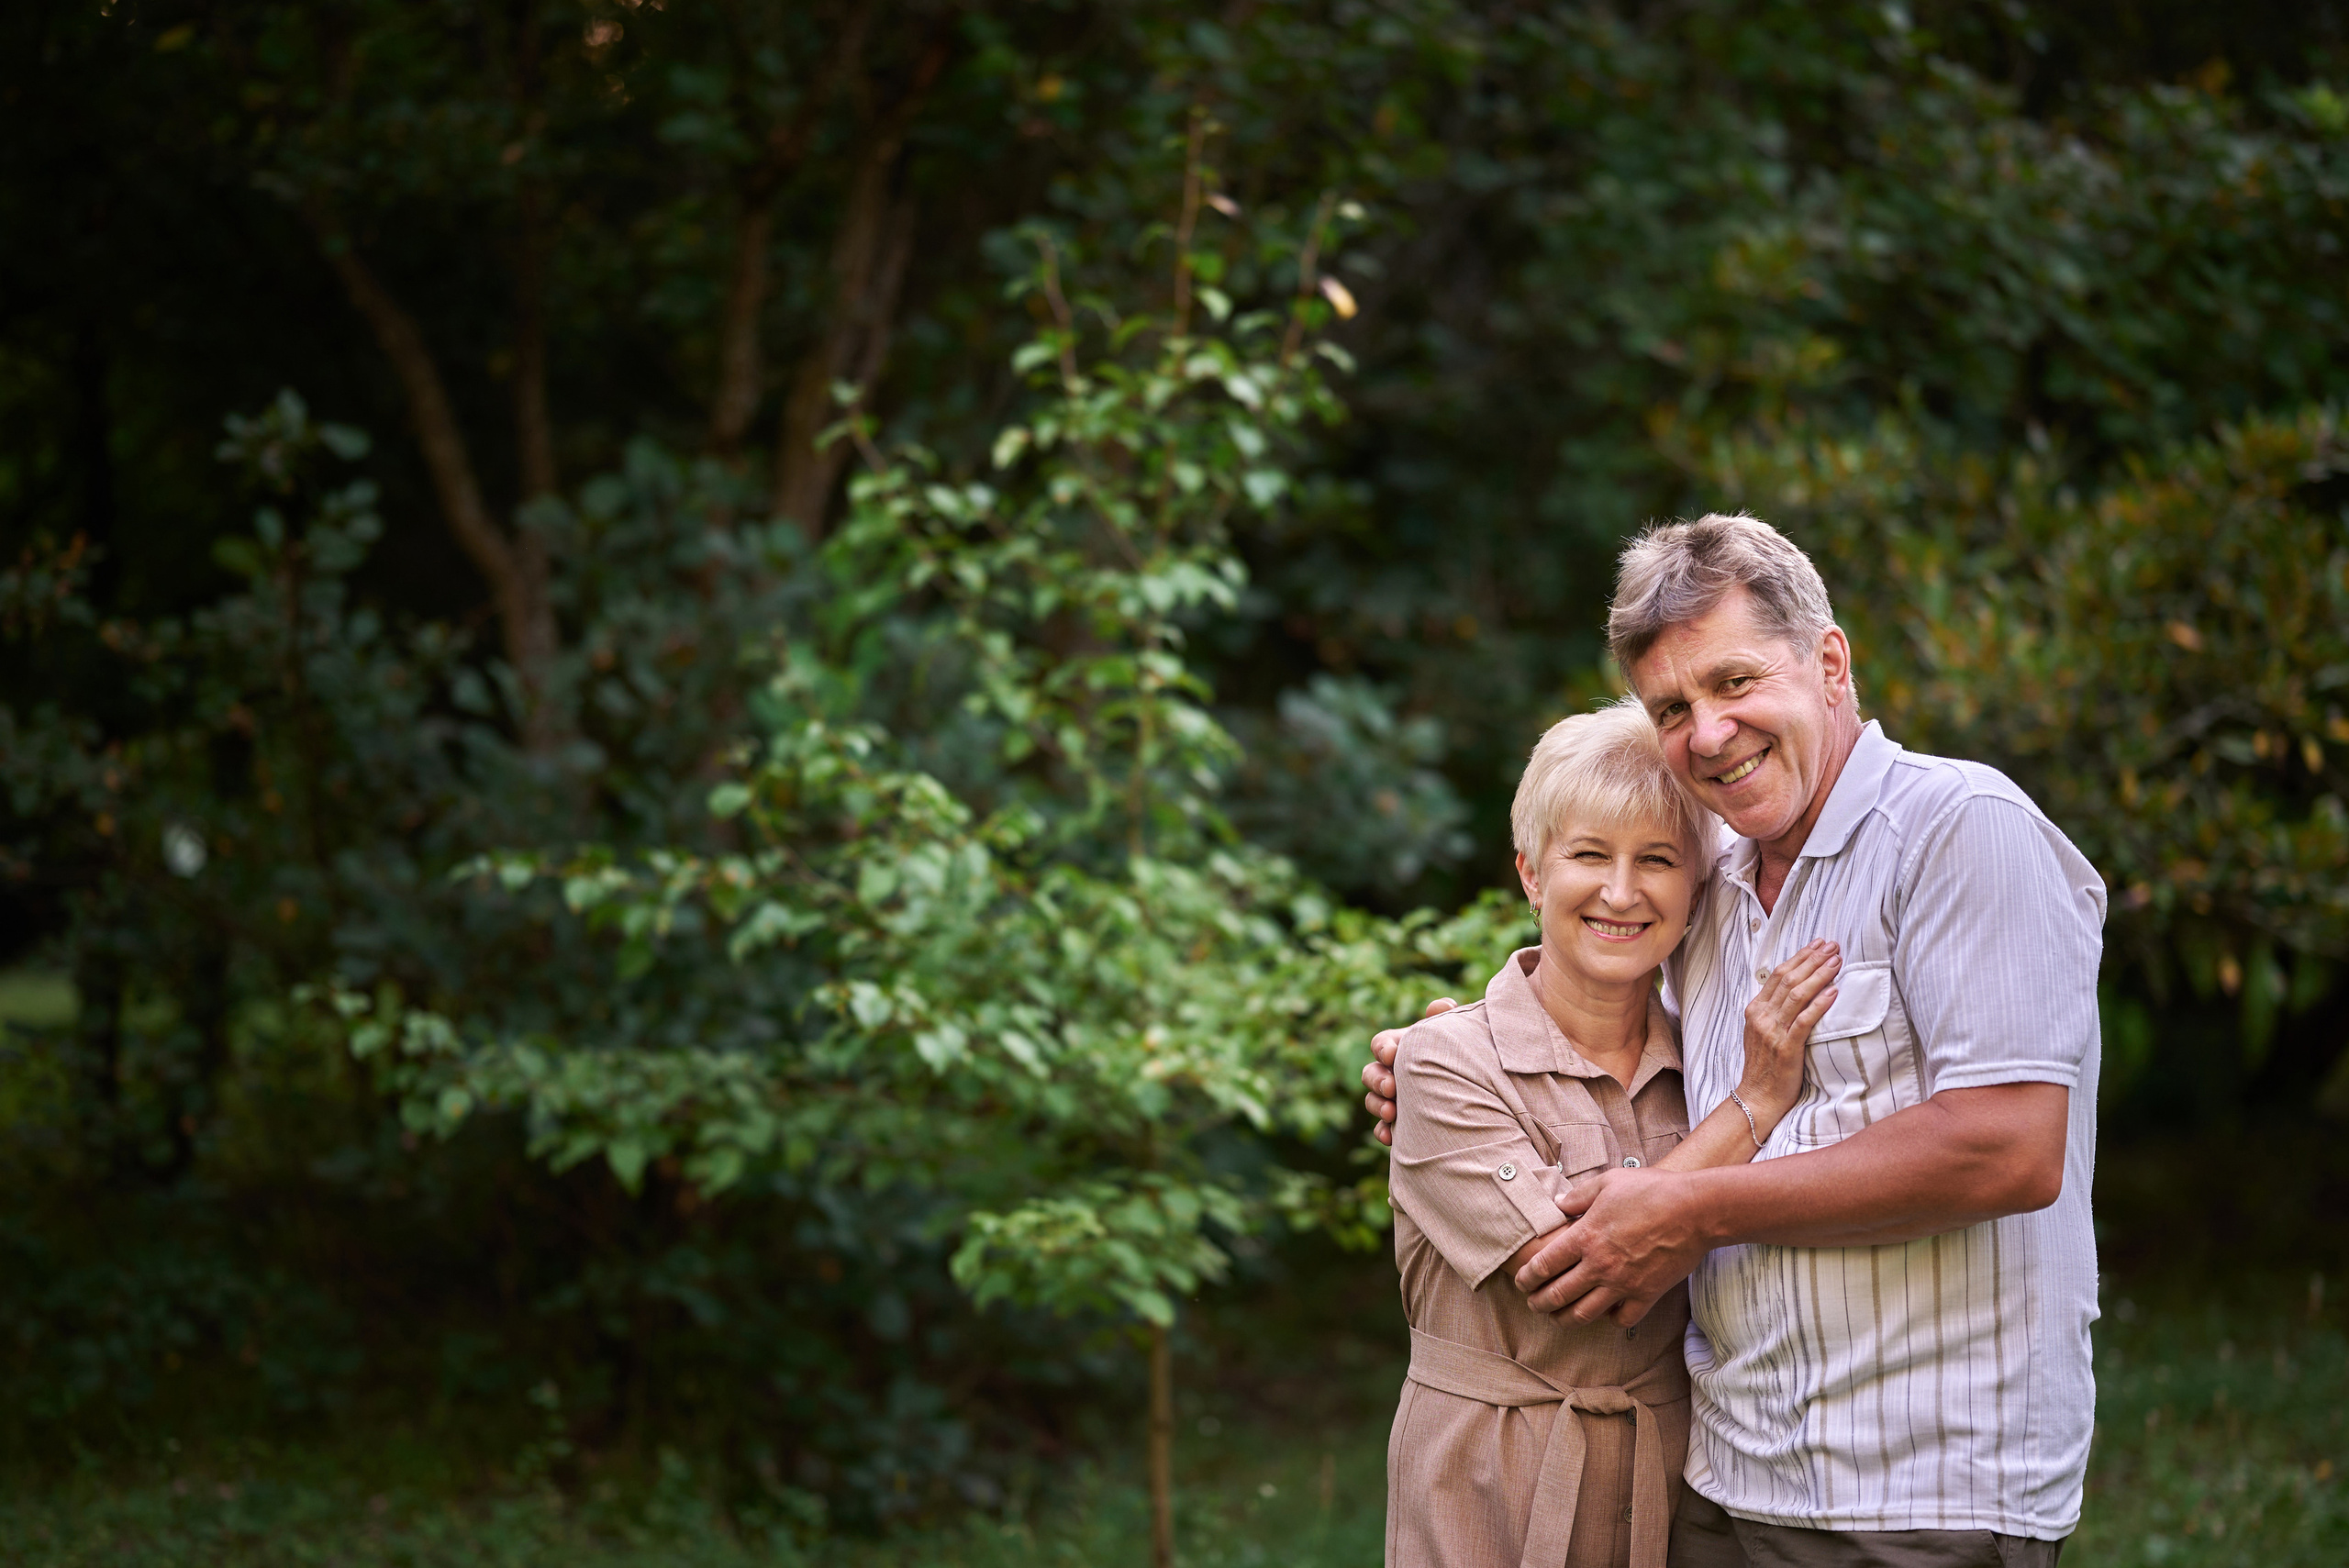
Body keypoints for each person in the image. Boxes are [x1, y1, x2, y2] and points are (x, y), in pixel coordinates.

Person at [1365, 515, 2104, 1568]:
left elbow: (2008, 1148)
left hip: (1913, 1497)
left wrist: (1694, 1206)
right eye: (1672, 707)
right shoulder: (1713, 885)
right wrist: (1455, 1051)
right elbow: (1598, 959)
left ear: (1830, 662)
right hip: (1719, 1481)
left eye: (1734, 681)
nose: (1708, 732)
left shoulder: (1958, 829)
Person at [1387, 699, 1842, 1568]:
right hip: (1486, 1480)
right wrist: (1752, 1105)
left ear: (1695, 889)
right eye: (1590, 854)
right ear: (1531, 874)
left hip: (1675, 1482)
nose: (1622, 891)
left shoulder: (1706, 1059)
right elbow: (1578, 1270)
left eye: (1658, 860)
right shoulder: (1446, 1059)